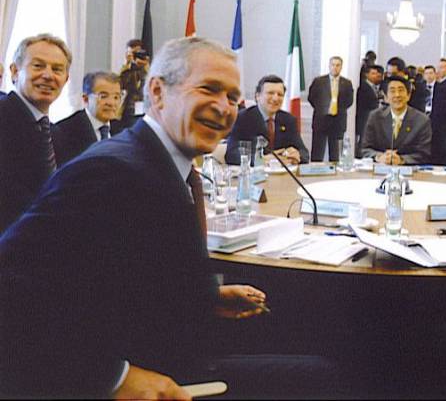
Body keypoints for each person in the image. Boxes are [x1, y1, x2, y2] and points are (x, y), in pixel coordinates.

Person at [0, 37, 339, 399]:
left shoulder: (161, 163)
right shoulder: (111, 170)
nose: (224, 107)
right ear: (158, 92)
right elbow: (11, 288)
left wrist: (204, 296)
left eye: (231, 97)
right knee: (327, 375)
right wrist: (113, 378)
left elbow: (124, 276)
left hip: (174, 344)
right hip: (138, 375)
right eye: (208, 89)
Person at [0, 34, 71, 233]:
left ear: (66, 79)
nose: (48, 75)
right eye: (38, 66)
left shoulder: (57, 135)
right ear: (15, 71)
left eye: (57, 69)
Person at [225, 74, 308, 165]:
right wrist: (260, 160)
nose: (275, 98)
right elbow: (231, 155)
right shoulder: (242, 118)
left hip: (281, 172)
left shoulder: (288, 120)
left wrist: (297, 155)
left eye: (280, 95)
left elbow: (304, 153)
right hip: (254, 172)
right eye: (270, 93)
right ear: (257, 96)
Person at [53, 71, 122, 165]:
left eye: (116, 97)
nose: (111, 103)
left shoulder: (123, 130)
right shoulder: (63, 131)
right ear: (85, 99)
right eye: (103, 96)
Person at [362, 75, 431, 165]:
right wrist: (379, 157)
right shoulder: (375, 117)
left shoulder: (422, 120)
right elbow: (365, 149)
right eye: (392, 91)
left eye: (401, 90)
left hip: (409, 170)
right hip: (380, 168)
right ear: (385, 97)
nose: (397, 95)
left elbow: (425, 153)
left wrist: (402, 159)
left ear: (408, 95)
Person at [308, 56, 353, 162]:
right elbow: (311, 98)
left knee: (335, 153)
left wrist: (338, 109)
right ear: (329, 66)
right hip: (321, 120)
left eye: (338, 65)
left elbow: (349, 101)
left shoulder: (347, 83)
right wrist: (321, 108)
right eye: (333, 65)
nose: (335, 67)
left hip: (338, 121)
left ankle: (335, 169)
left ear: (341, 67)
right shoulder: (319, 81)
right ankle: (315, 169)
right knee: (317, 151)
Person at [113, 38, 151, 134]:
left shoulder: (150, 70)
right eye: (132, 54)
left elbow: (151, 85)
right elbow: (118, 85)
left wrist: (146, 67)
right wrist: (126, 65)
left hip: (144, 111)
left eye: (137, 53)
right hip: (126, 111)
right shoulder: (127, 71)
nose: (135, 57)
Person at [355, 63, 383, 158]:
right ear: (367, 74)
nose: (375, 76)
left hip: (371, 115)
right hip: (364, 116)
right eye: (373, 73)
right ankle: (360, 155)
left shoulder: (373, 87)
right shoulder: (364, 86)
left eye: (376, 74)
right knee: (363, 137)